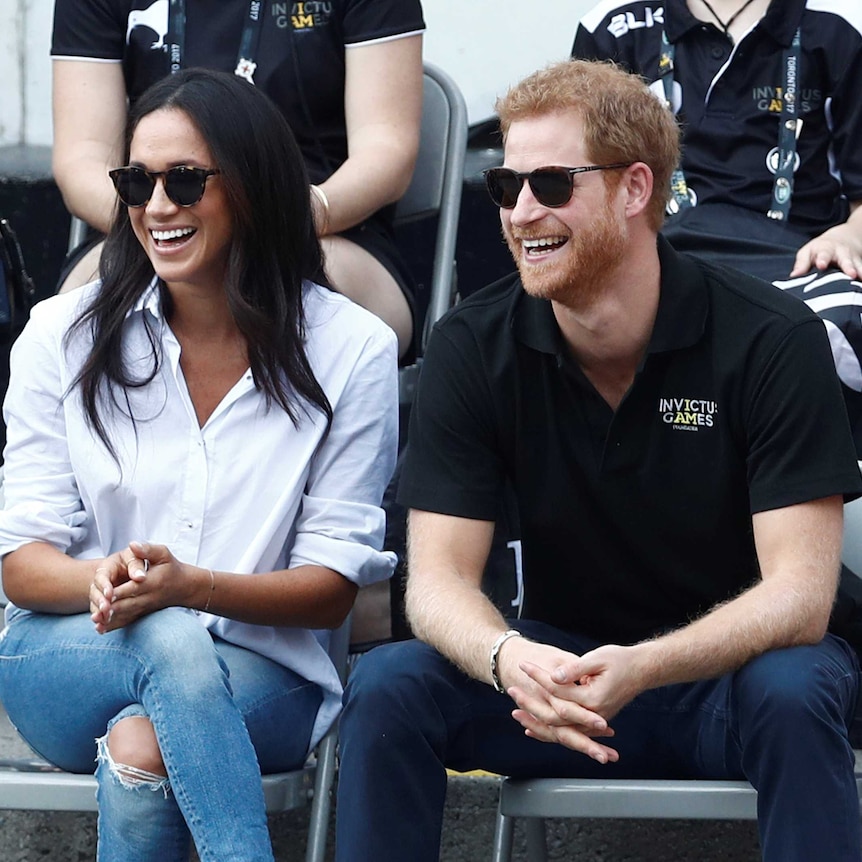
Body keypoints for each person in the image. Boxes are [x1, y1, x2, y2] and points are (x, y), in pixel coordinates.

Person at [333, 59, 862, 862]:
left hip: (732, 678)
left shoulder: (771, 339)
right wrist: (507, 657)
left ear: (636, 188)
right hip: (562, 681)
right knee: (389, 686)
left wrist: (646, 666)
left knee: (794, 689)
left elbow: (799, 598)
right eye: (505, 188)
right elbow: (437, 583)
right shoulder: (473, 345)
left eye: (550, 185)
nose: (520, 214)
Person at [0, 67, 398, 861]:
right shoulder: (60, 335)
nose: (156, 207)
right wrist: (113, 582)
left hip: (265, 675)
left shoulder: (353, 349)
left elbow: (330, 591)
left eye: (184, 181)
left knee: (146, 743)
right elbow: (19, 565)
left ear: (254, 186)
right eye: (135, 182)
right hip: (71, 657)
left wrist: (192, 588)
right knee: (170, 636)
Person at [50, 0, 424, 361]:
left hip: (323, 230)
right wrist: (158, 220)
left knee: (281, 288)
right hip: (149, 228)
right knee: (67, 324)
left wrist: (281, 217)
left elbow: (387, 151)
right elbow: (81, 159)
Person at [571, 0, 862, 449]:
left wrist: (851, 232)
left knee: (845, 321)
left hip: (795, 259)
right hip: (651, 253)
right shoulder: (615, 28)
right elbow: (583, 176)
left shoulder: (835, 30)